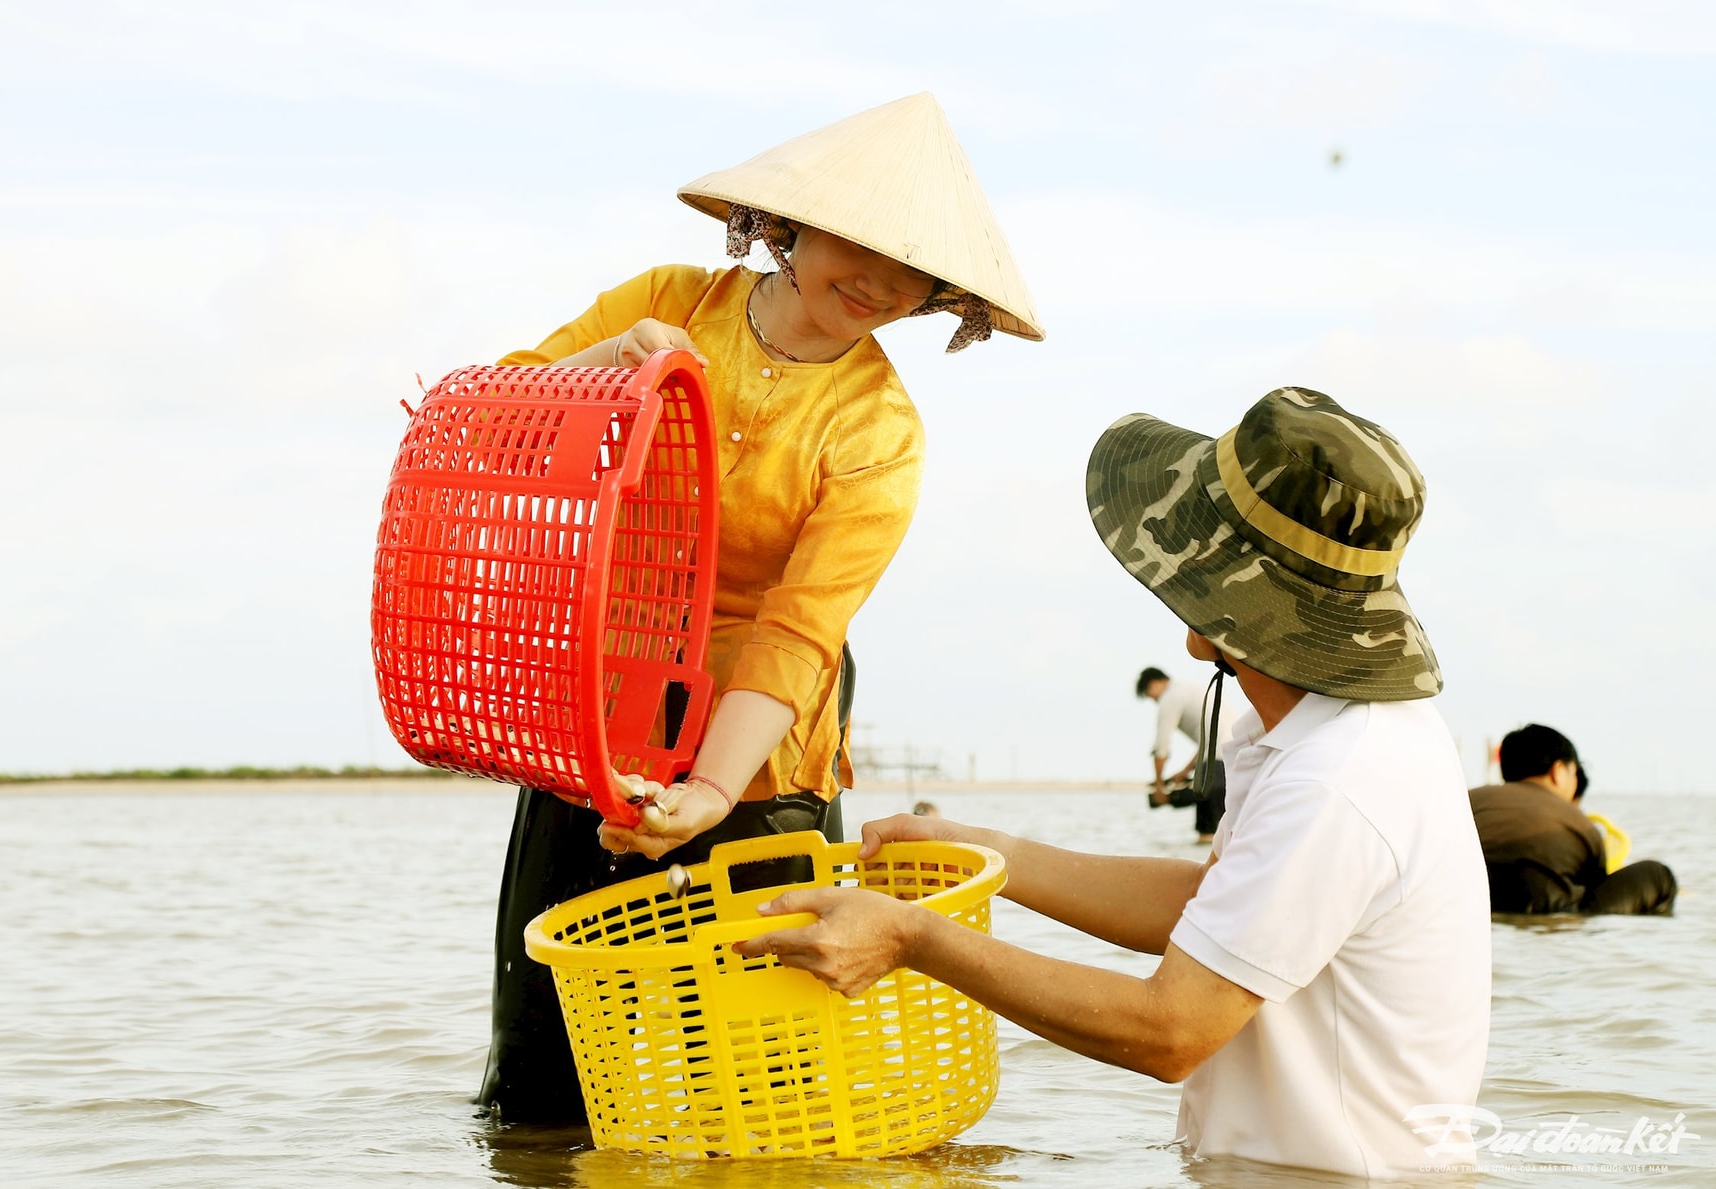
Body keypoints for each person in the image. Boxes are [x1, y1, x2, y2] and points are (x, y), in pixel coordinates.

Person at [739, 388, 1493, 1178]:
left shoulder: (1341, 779)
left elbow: (1171, 1030)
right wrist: (989, 853)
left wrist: (913, 938)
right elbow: (1216, 908)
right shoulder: (1326, 734)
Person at [478, 93, 1043, 1123]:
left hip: (763, 753)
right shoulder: (669, 302)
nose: (879, 281)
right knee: (541, 1073)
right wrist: (614, 364)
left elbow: (799, 628)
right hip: (600, 720)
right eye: (857, 243)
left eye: (913, 268)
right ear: (787, 224)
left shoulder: (881, 430)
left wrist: (708, 789)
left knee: (762, 1082)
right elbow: (492, 421)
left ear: (939, 294)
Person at [1469, 723, 1676, 915]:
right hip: (1550, 912)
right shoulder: (1577, 822)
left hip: (1470, 902)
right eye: (1574, 772)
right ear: (1558, 771)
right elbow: (1595, 883)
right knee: (1658, 876)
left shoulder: (1469, 799)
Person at [1136, 665, 1238, 840]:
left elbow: (1161, 747)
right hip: (1235, 758)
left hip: (1216, 764)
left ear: (1153, 685)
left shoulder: (1170, 698)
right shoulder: (1191, 689)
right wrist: (1186, 771)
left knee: (1207, 836)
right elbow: (1210, 740)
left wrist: (1160, 786)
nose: (1154, 701)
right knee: (1227, 836)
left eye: (1150, 697)